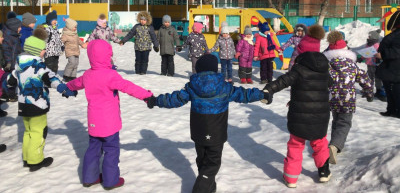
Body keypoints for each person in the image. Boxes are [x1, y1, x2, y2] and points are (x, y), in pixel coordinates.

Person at [144, 54, 269, 193]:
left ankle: (209, 187)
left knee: (202, 160)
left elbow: (175, 99)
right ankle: (201, 188)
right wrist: (262, 94)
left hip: (199, 130)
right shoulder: (224, 87)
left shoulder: (192, 86)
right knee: (212, 163)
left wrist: (156, 101)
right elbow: (244, 94)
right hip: (216, 130)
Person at [66, 39, 153, 189]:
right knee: (111, 151)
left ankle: (89, 178)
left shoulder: (88, 75)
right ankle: (111, 180)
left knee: (93, 149)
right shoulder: (110, 75)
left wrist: (66, 88)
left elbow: (75, 83)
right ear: (108, 56)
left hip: (93, 122)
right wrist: (147, 96)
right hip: (109, 123)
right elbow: (128, 87)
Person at [262, 24, 332, 188]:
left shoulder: (299, 69)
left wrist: (268, 89)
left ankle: (291, 178)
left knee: (296, 144)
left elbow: (283, 81)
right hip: (320, 115)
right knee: (320, 143)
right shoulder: (324, 69)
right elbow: (330, 83)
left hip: (299, 114)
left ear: (302, 50)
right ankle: (323, 172)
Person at [4, 27, 77, 172]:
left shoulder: (18, 67)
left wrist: (10, 88)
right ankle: (35, 160)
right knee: (39, 132)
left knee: (28, 131)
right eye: (43, 50)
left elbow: (9, 81)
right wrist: (65, 89)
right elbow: (52, 79)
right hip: (37, 105)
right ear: (37, 51)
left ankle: (27, 157)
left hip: (23, 105)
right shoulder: (39, 67)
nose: (44, 52)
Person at [323, 30, 373, 165]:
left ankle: (333, 145)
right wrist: (369, 93)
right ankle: (335, 145)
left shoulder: (326, 64)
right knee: (344, 122)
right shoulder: (352, 64)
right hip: (347, 99)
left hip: (331, 97)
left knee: (336, 119)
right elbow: (365, 79)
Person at [376, 9, 400, 118]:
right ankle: (391, 109)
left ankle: (396, 111)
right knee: (390, 90)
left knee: (396, 91)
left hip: (395, 67)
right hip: (390, 67)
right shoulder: (395, 34)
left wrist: (383, 54)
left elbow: (397, 50)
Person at [358, 30, 386, 101]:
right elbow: (366, 53)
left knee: (377, 78)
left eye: (369, 36)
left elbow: (381, 54)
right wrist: (361, 58)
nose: (368, 37)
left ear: (373, 37)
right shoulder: (368, 44)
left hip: (377, 65)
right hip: (369, 64)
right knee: (369, 78)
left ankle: (379, 91)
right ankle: (369, 91)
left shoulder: (377, 45)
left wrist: (379, 58)